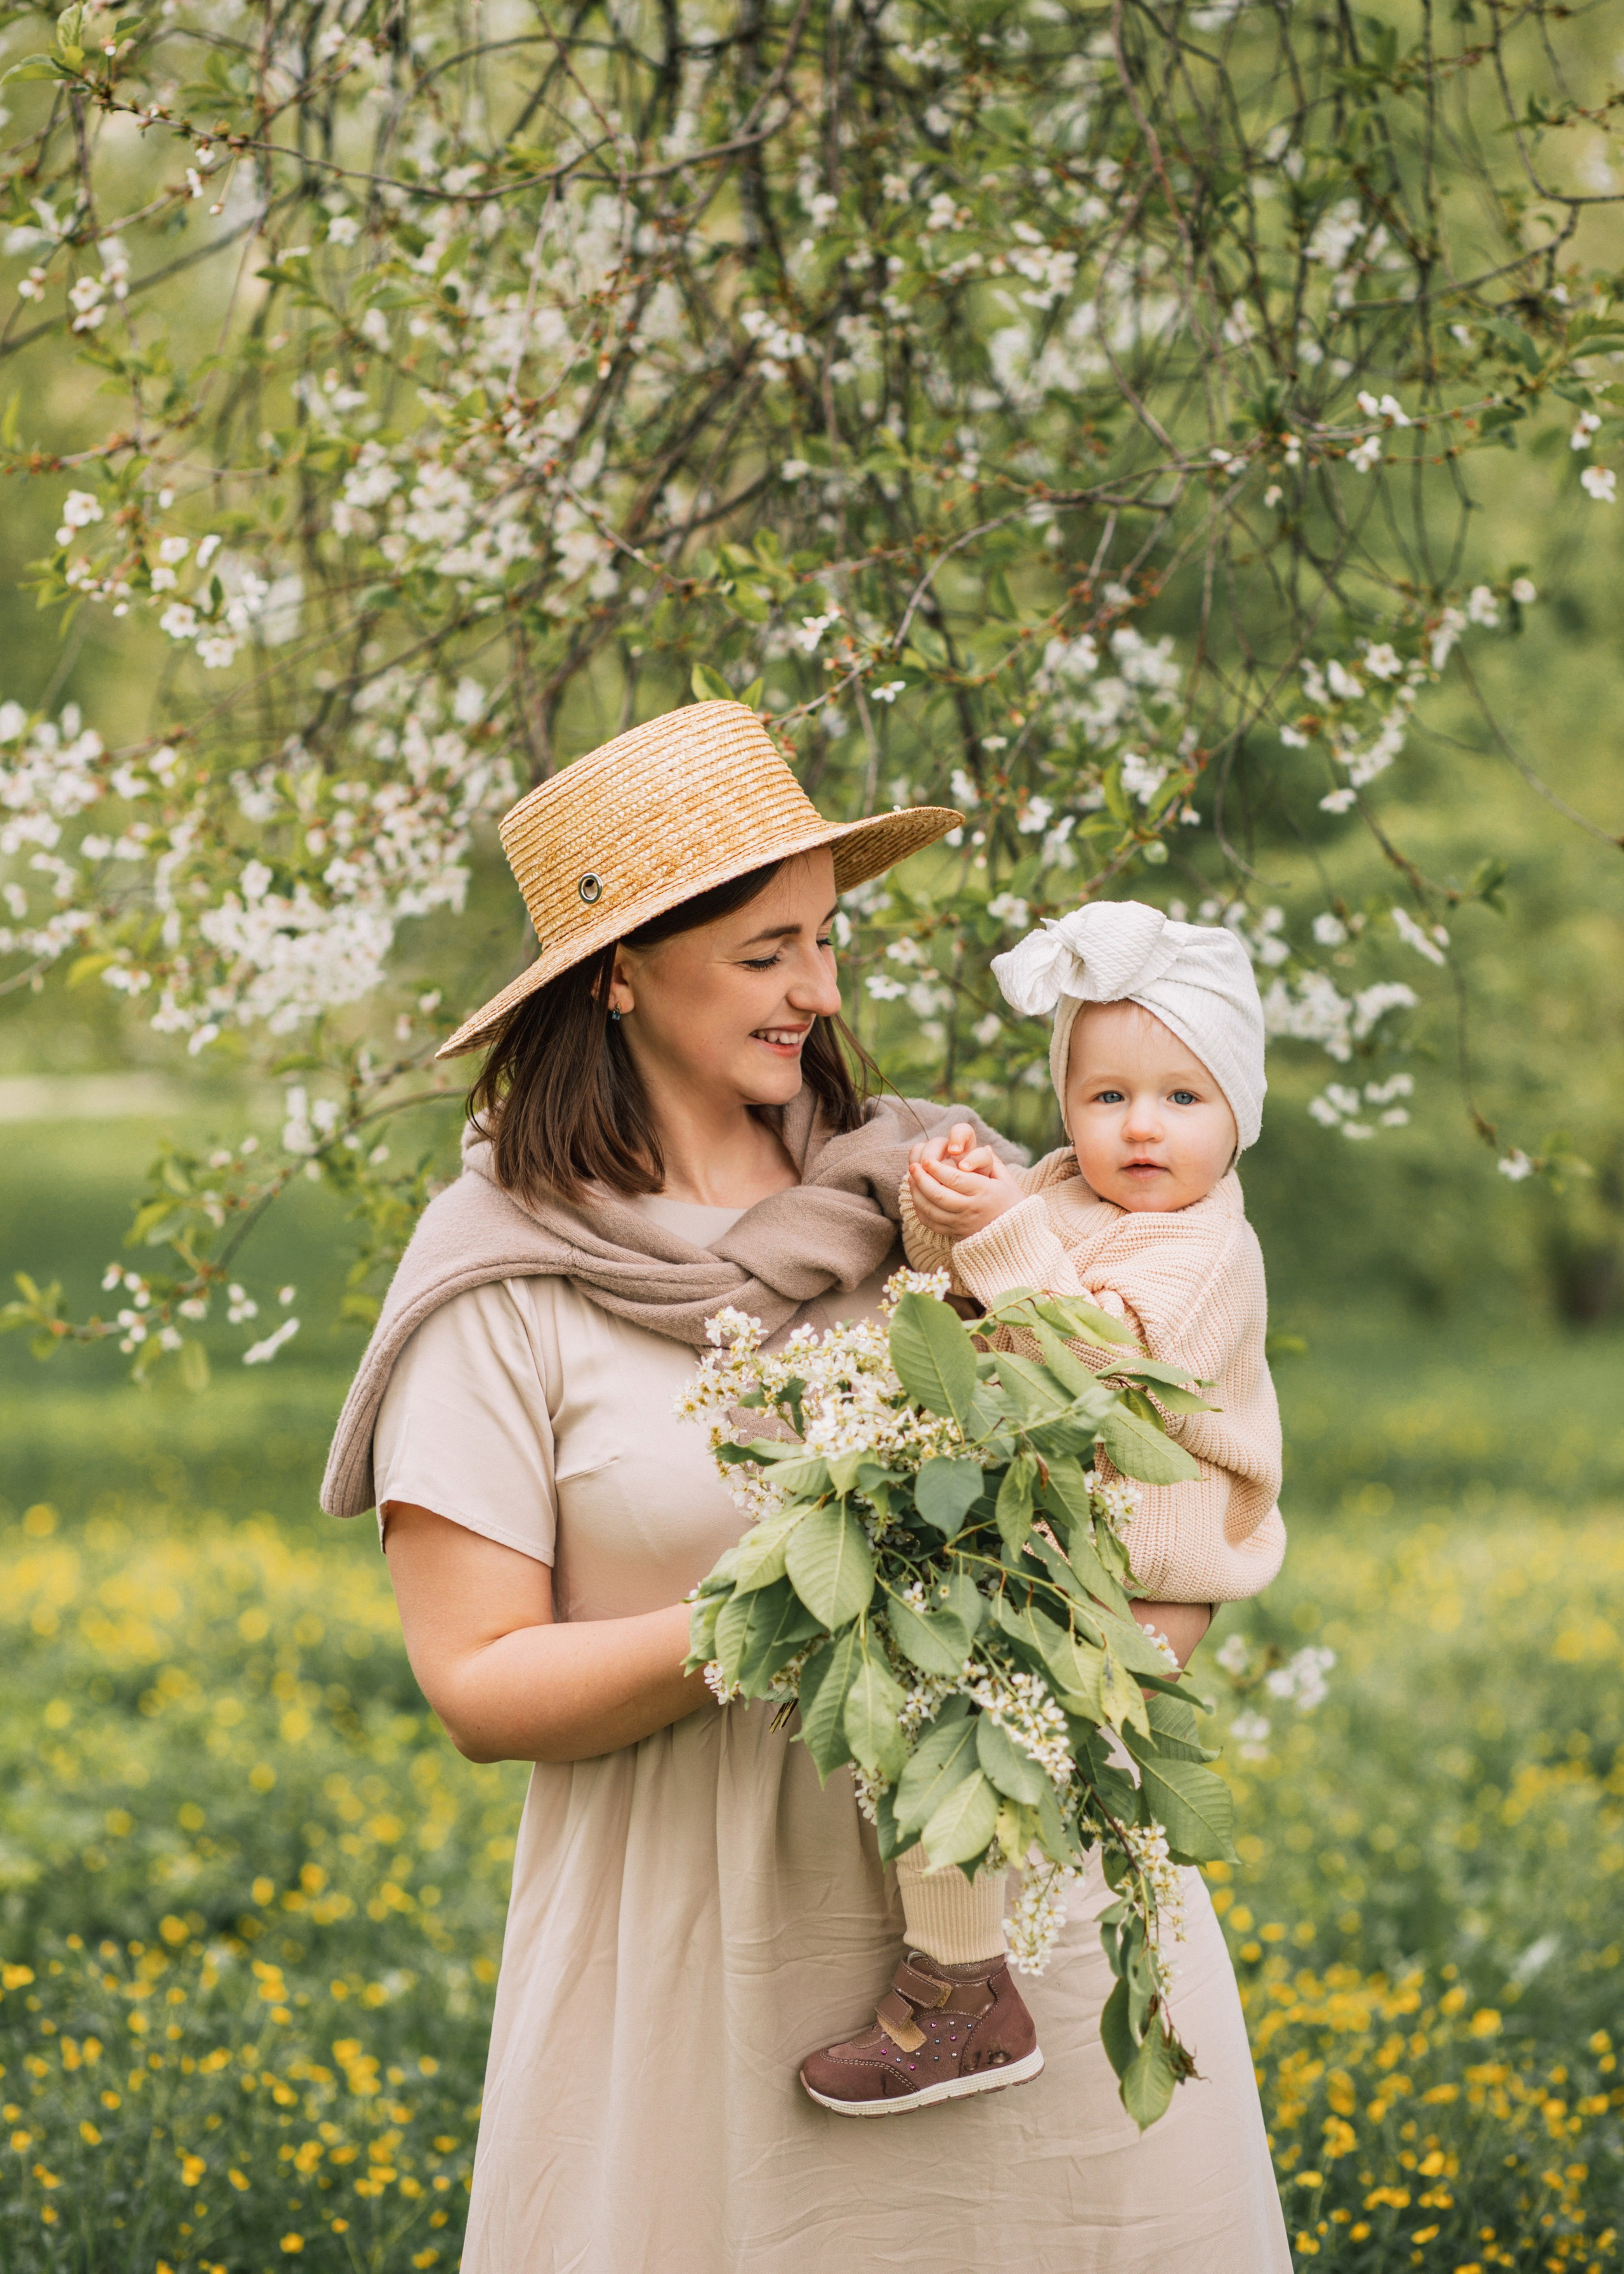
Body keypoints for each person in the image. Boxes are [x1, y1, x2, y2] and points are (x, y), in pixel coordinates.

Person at [320, 706, 1290, 2272]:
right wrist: (783, 1605)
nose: (823, 992)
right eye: (770, 949)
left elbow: (1169, 1454)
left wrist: (1128, 1638)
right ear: (621, 965)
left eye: (826, 941)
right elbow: (480, 1683)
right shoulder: (500, 1283)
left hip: (1023, 1953)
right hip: (704, 1971)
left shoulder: (924, 1200)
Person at [798, 899, 1285, 2119]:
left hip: (1149, 1569)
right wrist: (949, 1207)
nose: (1141, 1128)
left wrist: (1004, 1234)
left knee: (985, 1727)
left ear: (1239, 1115)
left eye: (1183, 1098)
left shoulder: (1208, 1249)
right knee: (958, 1730)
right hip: (1061, 1540)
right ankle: (966, 1975)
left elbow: (1096, 1359)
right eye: (1106, 1095)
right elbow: (968, 1287)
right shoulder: (1064, 1194)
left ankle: (964, 1995)